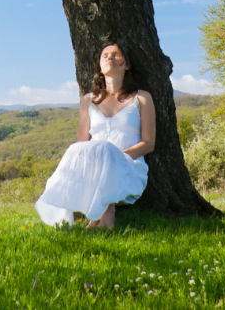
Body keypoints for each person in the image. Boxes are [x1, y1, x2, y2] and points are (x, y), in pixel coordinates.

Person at [35, 42, 156, 229]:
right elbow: (82, 144)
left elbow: (148, 143)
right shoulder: (89, 100)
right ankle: (99, 214)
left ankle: (106, 214)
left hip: (127, 165)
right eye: (105, 55)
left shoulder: (141, 98)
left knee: (106, 150)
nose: (109, 58)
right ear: (100, 66)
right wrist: (104, 160)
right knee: (85, 149)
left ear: (127, 64)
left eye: (116, 54)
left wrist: (116, 158)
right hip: (93, 168)